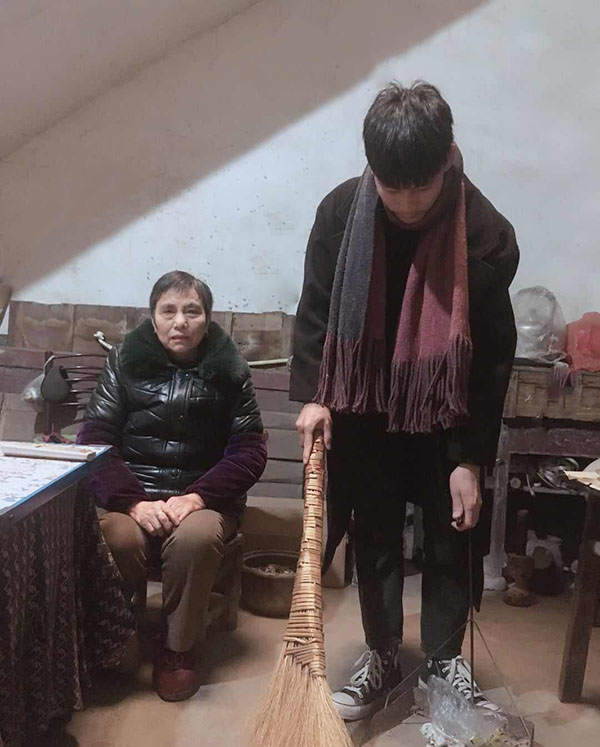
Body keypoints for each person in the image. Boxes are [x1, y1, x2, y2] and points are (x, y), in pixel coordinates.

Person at [290, 82, 519, 721]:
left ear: (447, 160)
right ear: (373, 169)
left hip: (446, 405)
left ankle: (444, 662)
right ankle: (383, 651)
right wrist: (314, 397)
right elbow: (314, 311)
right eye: (394, 188)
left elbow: (493, 356)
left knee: (453, 532)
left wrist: (469, 458)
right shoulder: (342, 213)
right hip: (365, 401)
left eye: (422, 186)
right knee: (376, 529)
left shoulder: (485, 233)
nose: (410, 203)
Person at [78, 270, 267, 702]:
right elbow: (94, 440)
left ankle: (178, 648)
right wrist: (133, 503)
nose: (180, 321)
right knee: (116, 537)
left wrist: (198, 497)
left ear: (207, 319)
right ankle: (118, 636)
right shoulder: (123, 362)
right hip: (134, 499)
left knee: (195, 539)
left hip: (203, 501)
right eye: (169, 311)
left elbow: (249, 450)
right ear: (153, 317)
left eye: (191, 311)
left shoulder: (231, 371)